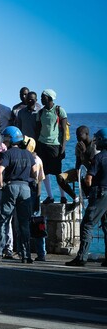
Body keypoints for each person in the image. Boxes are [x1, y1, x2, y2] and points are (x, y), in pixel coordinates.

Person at [0, 126, 38, 264]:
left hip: (11, 187)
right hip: (26, 188)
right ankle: (26, 255)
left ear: (10, 139)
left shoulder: (7, 154)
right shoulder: (28, 154)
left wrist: (1, 186)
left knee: (3, 220)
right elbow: (36, 173)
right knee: (23, 223)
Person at [66, 128, 107, 267]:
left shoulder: (99, 157)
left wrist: (88, 190)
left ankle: (82, 257)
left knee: (87, 224)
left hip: (100, 192)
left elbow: (89, 178)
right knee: (106, 225)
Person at [35, 89, 69, 204]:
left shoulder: (59, 110)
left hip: (55, 145)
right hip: (42, 144)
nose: (41, 99)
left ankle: (63, 196)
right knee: (44, 172)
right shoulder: (40, 112)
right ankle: (50, 196)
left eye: (43, 97)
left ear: (49, 98)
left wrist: (63, 148)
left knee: (58, 172)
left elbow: (64, 131)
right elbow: (37, 130)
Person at [57, 126, 97, 204]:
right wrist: (77, 170)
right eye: (76, 135)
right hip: (81, 172)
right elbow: (78, 161)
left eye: (80, 135)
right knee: (60, 178)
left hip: (91, 173)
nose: (77, 137)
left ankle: (89, 199)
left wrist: (84, 152)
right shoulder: (78, 145)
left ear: (87, 134)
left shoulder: (94, 146)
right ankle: (75, 197)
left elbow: (94, 165)